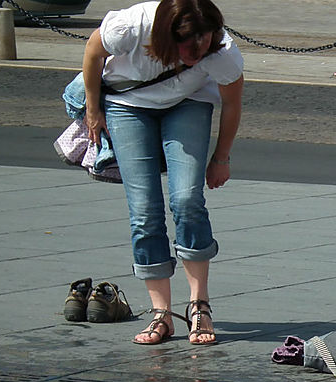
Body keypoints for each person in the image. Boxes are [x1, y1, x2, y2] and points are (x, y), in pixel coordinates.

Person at [82, 0, 244, 345]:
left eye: (204, 46)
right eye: (188, 48)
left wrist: (222, 157)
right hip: (128, 105)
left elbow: (232, 103)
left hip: (189, 103)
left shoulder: (223, 49)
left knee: (187, 199)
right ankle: (162, 313)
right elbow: (93, 52)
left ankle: (199, 305)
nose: (197, 55)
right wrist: (94, 111)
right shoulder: (131, 26)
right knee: (144, 210)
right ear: (167, 35)